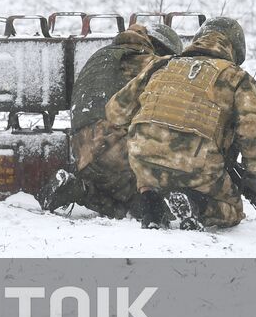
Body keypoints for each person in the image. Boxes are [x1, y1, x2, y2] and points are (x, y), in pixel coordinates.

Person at [103, 17, 256, 230]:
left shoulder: (162, 63)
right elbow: (252, 132)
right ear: (235, 49)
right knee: (231, 211)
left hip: (142, 159)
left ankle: (152, 204)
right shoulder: (238, 78)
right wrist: (252, 175)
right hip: (197, 163)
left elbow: (115, 112)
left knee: (152, 174)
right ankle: (194, 202)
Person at [38, 22, 182, 217]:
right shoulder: (148, 63)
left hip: (82, 152)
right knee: (152, 201)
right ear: (161, 48)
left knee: (119, 198)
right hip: (115, 147)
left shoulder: (100, 57)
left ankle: (79, 189)